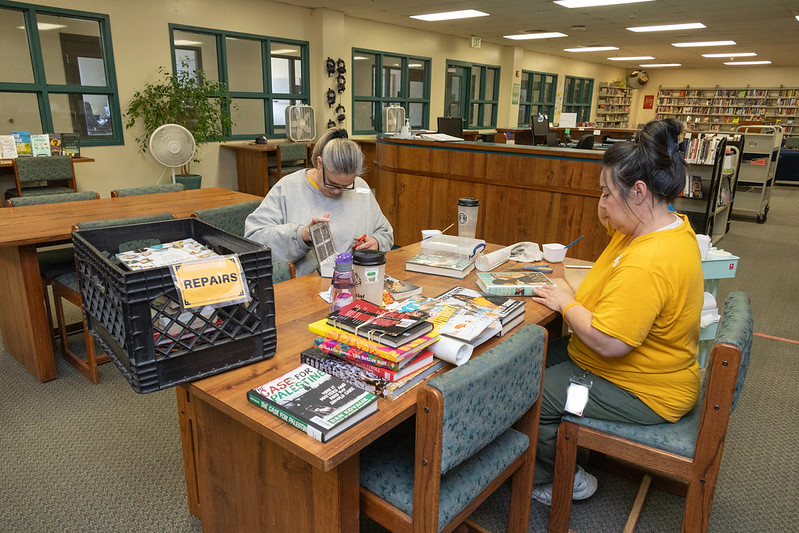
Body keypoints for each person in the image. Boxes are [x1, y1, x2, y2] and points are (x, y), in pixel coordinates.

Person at [528, 118, 704, 505]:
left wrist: (565, 302)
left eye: (607, 194)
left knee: (533, 395)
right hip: (630, 369)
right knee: (526, 358)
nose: (602, 204)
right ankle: (554, 448)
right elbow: (612, 224)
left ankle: (554, 479)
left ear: (639, 192)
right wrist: (608, 201)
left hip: (641, 390)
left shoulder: (650, 260)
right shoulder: (661, 226)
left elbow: (608, 342)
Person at [244, 128, 394, 277]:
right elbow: (254, 238)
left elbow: (385, 232)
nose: (337, 191)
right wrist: (301, 235)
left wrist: (376, 242)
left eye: (346, 186)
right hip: (306, 287)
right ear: (319, 163)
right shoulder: (288, 187)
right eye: (332, 183)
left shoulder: (360, 187)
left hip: (356, 282)